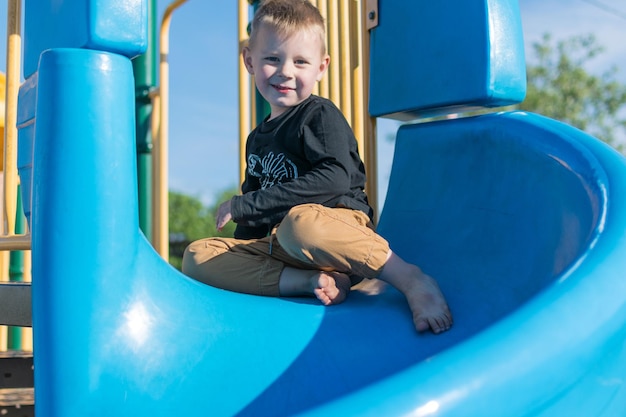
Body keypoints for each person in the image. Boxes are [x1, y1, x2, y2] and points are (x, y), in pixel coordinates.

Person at [182, 0, 452, 334]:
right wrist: (243, 244)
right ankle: (314, 281)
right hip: (287, 249)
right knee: (198, 254)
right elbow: (254, 213)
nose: (286, 71)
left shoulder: (318, 115)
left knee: (300, 224)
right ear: (249, 60)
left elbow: (335, 178)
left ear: (320, 68)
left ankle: (410, 278)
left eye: (300, 61)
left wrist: (244, 206)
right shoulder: (257, 138)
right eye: (272, 59)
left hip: (334, 232)